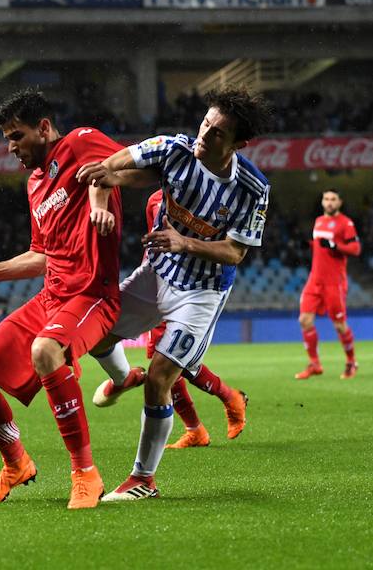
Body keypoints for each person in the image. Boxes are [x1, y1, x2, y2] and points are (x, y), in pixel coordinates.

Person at [76, 85, 271, 501]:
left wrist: (184, 242)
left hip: (201, 293)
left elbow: (235, 252)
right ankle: (123, 376)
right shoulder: (173, 148)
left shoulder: (253, 188)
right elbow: (105, 169)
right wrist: (98, 204)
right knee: (96, 333)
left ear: (238, 144)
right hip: (157, 273)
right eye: (205, 123)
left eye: (218, 133)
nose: (205, 135)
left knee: (161, 376)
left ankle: (143, 480)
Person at [0, 88, 123, 509]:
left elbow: (129, 163)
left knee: (45, 350)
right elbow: (41, 255)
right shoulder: (35, 185)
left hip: (92, 294)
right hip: (51, 297)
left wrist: (102, 196)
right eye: (7, 139)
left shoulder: (80, 142)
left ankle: (85, 473)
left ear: (44, 128)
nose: (11, 147)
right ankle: (16, 463)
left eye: (17, 136)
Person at [94, 191, 249, 450]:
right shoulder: (154, 200)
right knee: (163, 364)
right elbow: (154, 243)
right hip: (158, 282)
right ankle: (196, 429)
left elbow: (230, 249)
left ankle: (229, 398)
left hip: (192, 290)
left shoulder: (210, 198)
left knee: (172, 364)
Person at [295, 189, 362, 380]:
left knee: (340, 325)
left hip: (334, 282)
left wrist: (336, 246)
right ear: (322, 202)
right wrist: (309, 244)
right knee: (304, 320)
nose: (329, 202)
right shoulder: (318, 221)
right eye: (326, 199)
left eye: (333, 199)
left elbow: (356, 249)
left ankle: (351, 362)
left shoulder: (346, 223)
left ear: (340, 202)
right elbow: (321, 245)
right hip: (315, 279)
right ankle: (315, 364)